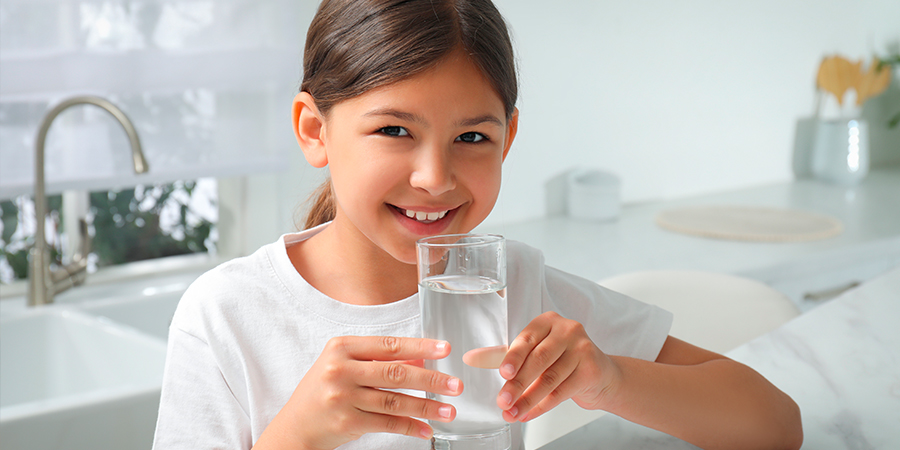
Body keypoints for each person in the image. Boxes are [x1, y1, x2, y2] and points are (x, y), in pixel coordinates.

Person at [152, 1, 803, 449]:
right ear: (314, 130)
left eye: (470, 135)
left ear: (508, 138)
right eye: (394, 130)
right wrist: (297, 433)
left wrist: (611, 378)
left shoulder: (506, 281)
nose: (435, 176)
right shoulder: (227, 315)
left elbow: (775, 423)